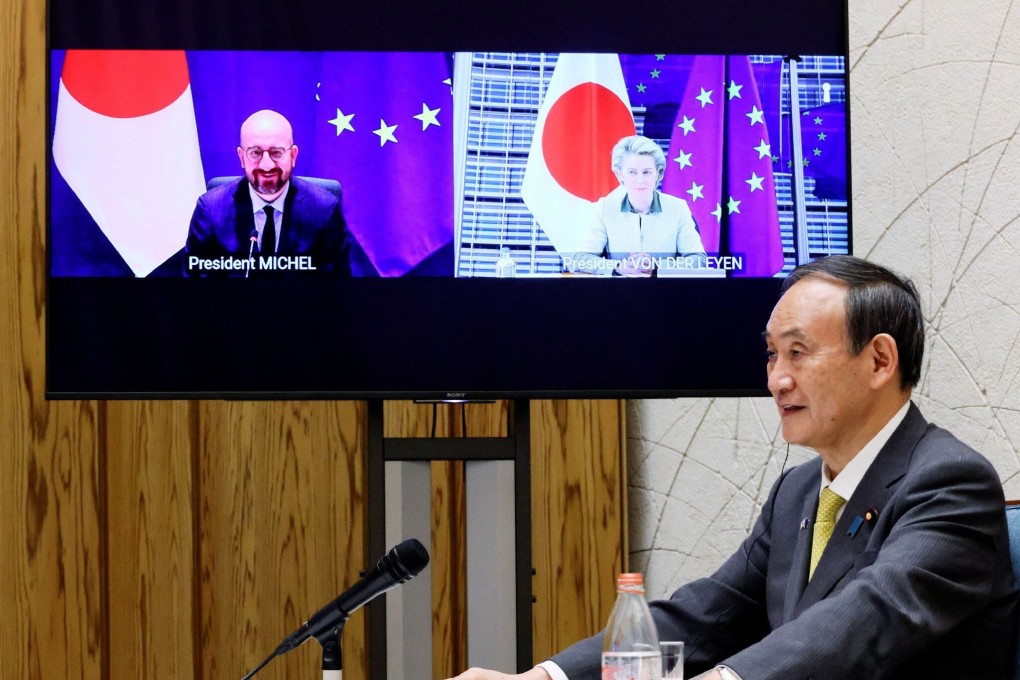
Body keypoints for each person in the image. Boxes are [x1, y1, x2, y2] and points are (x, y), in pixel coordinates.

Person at [450, 255, 1018, 680]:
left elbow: (861, 622)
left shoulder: (951, 484)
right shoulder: (798, 492)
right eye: (771, 354)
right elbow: (704, 616)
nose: (776, 380)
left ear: (878, 360)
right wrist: (544, 678)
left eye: (798, 353)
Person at [184, 109, 349, 276]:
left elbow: (339, 291)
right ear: (241, 157)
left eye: (276, 152)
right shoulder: (211, 210)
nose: (266, 165)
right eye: (255, 153)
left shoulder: (324, 210)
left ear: (293, 156)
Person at [567, 135, 707, 277]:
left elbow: (699, 260)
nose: (640, 180)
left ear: (658, 174)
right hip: (618, 295)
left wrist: (657, 266)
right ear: (620, 175)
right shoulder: (604, 208)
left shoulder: (678, 208)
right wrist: (618, 267)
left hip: (665, 295)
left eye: (647, 172)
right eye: (632, 172)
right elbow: (580, 260)